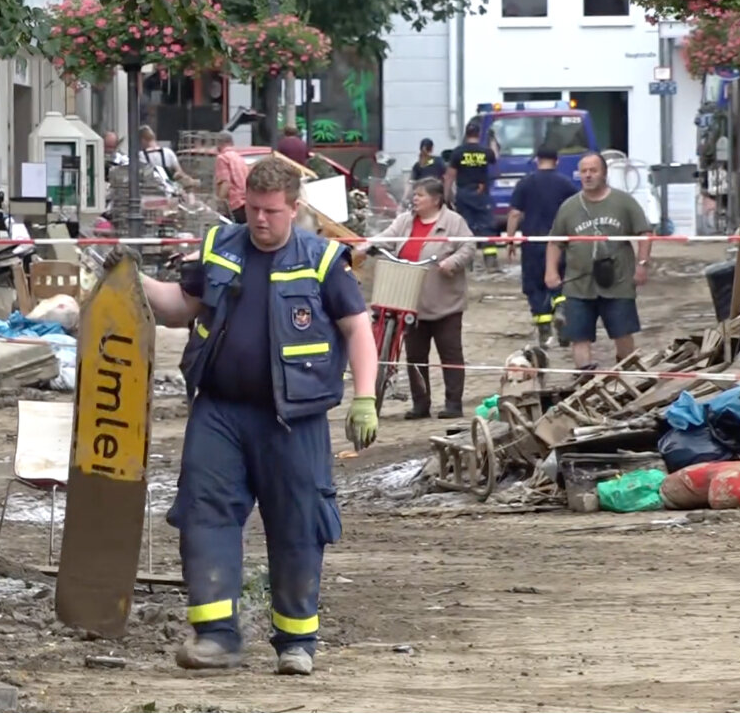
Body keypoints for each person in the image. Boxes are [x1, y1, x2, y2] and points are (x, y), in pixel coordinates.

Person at [101, 157, 379, 676]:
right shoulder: (220, 248)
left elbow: (357, 330)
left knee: (298, 525)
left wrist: (365, 398)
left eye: (271, 211)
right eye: (252, 209)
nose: (260, 220)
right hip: (221, 411)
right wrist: (131, 279)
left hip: (294, 420)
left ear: (294, 209)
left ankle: (296, 643)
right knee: (204, 516)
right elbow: (181, 307)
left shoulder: (322, 261)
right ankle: (216, 638)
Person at [358, 178, 476, 418]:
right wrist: (367, 245)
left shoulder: (453, 222)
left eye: (420, 195)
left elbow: (469, 246)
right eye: (414, 194)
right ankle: (420, 404)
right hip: (410, 300)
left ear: (435, 199)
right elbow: (387, 236)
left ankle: (453, 403)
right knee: (415, 356)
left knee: (450, 353)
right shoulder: (404, 221)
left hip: (445, 303)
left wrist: (452, 262)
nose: (415, 199)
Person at [546, 152, 652, 369]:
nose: (588, 175)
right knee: (579, 336)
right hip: (578, 284)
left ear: (604, 173)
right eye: (583, 171)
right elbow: (555, 241)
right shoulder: (569, 207)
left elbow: (645, 233)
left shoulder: (623, 202)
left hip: (618, 282)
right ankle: (584, 382)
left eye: (593, 170)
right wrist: (551, 271)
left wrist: (642, 265)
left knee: (622, 334)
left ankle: (627, 376)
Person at [506, 146, 578, 347]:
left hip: (533, 244)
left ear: (537, 160)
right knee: (560, 281)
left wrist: (510, 240)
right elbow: (577, 210)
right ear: (557, 161)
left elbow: (514, 213)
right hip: (560, 243)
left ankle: (544, 331)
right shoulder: (566, 183)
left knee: (535, 287)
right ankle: (562, 310)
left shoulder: (525, 183)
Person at [445, 122, 499, 269]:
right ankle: (490, 262)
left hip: (464, 194)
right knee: (487, 226)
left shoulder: (458, 152)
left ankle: (467, 263)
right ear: (479, 134)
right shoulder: (485, 151)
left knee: (465, 228)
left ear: (466, 134)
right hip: (481, 195)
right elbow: (495, 156)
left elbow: (450, 176)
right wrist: (492, 139)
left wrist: (446, 196)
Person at [214, 131, 249, 223]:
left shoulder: (222, 158)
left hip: (234, 204)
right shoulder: (239, 158)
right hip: (245, 202)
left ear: (220, 143)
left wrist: (219, 202)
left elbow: (226, 183)